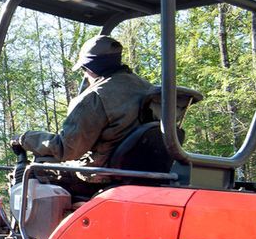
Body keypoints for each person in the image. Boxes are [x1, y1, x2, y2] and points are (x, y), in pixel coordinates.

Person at [16, 35, 153, 170]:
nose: (85, 75)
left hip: (104, 172)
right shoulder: (146, 87)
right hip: (149, 167)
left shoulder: (95, 97)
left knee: (35, 170)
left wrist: (25, 139)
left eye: (84, 69)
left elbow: (67, 149)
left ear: (91, 68)